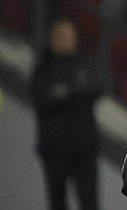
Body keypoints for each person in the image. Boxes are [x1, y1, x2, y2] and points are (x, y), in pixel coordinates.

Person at [31, 19, 102, 210]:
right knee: (57, 201)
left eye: (68, 38)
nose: (64, 42)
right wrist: (74, 91)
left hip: (83, 146)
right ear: (52, 40)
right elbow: (42, 98)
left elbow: (97, 88)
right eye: (60, 38)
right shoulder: (43, 68)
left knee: (90, 201)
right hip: (54, 147)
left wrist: (66, 92)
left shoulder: (84, 64)